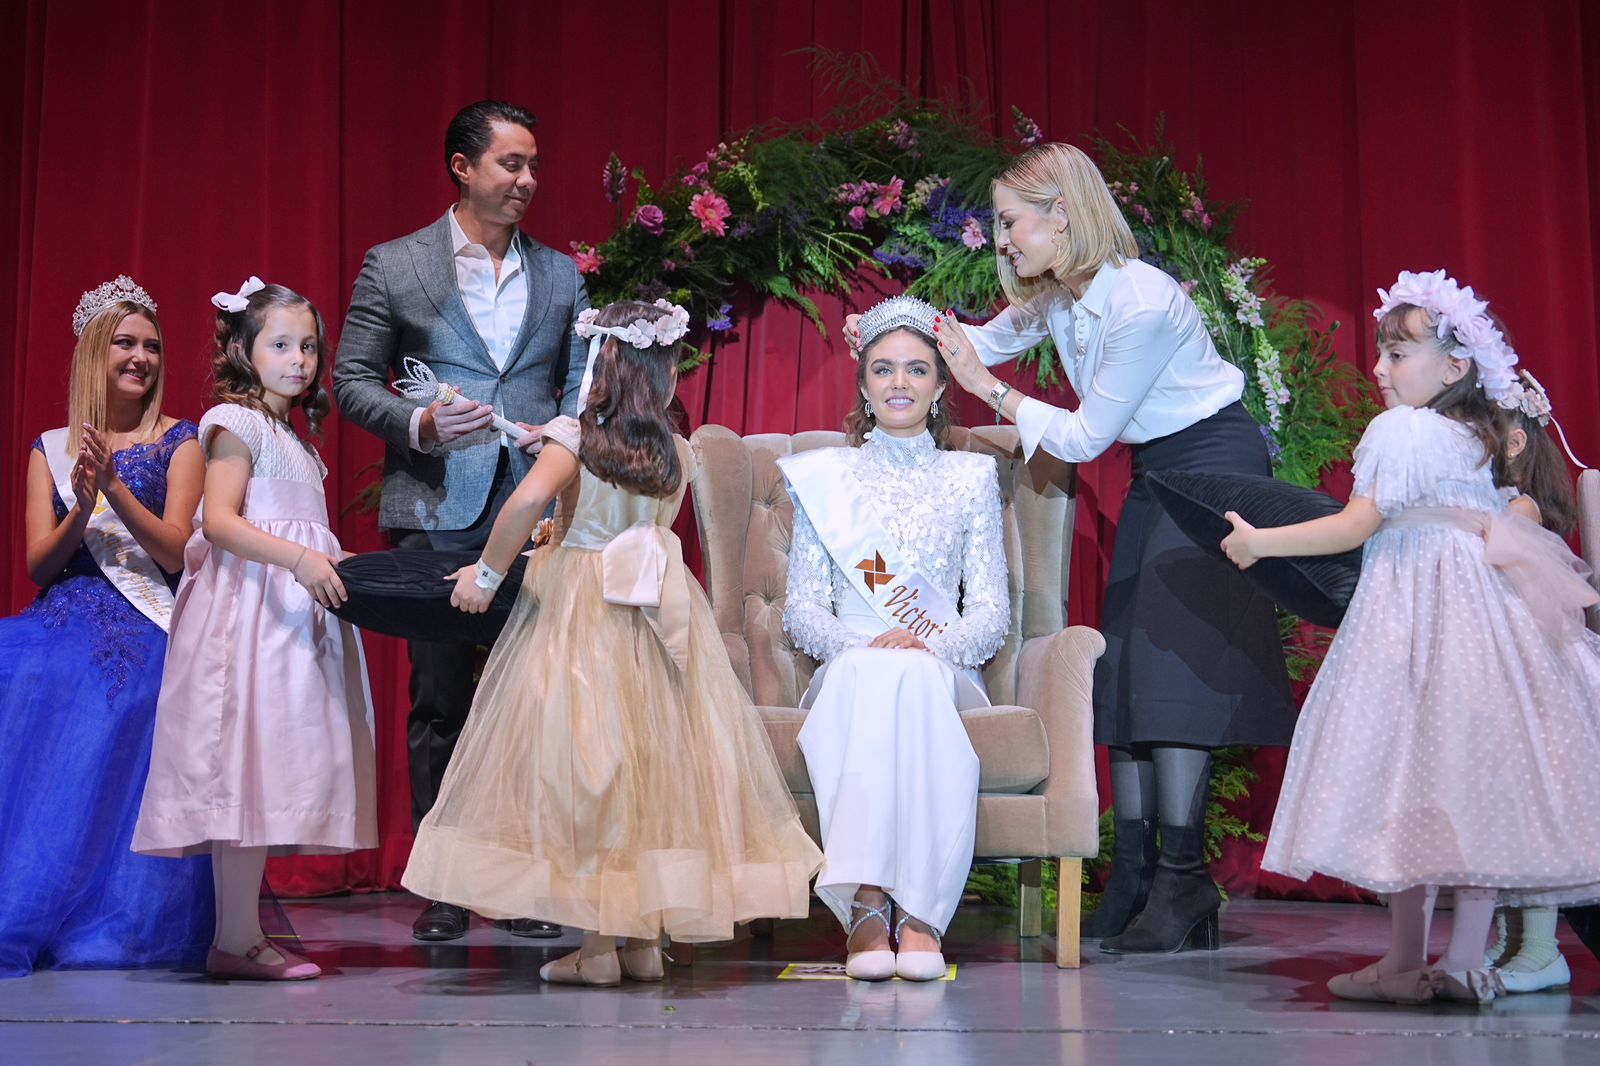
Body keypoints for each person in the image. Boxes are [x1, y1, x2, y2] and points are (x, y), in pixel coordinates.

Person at [862, 143, 1293, 953]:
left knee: (1176, 677)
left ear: (1061, 215)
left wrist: (991, 394)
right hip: (1161, 471)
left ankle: (1182, 877)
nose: (1002, 240)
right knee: (1126, 672)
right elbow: (981, 342)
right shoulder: (1061, 295)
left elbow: (1086, 436)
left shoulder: (1140, 302)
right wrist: (893, 323)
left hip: (1215, 469)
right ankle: (1133, 873)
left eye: (1011, 222)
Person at [402, 300, 821, 987]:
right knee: (650, 770)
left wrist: (486, 573)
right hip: (655, 614)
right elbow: (627, 516)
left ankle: (597, 949)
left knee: (587, 770)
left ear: (604, 364)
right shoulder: (676, 454)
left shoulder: (575, 439)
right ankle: (641, 942)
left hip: (582, 613)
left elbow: (527, 503)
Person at [1221, 270, 1600, 1004]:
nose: (1380, 369)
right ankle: (1461, 960)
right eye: (1382, 353)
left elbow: (1357, 524)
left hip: (1414, 618)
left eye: (1399, 354)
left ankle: (1403, 960)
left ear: (1455, 367)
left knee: (1409, 775)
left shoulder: (1399, 430)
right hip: (1485, 621)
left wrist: (1262, 543)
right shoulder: (1476, 435)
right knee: (1473, 780)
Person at [333, 99, 588, 942]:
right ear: (463, 167)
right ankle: (443, 883)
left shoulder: (560, 275)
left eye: (534, 166)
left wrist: (569, 436)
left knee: (529, 700)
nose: (526, 181)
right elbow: (351, 378)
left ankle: (518, 885)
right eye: (511, 164)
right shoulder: (397, 264)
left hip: (538, 510)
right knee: (441, 698)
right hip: (441, 505)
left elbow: (582, 384)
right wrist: (420, 425)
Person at [133, 280, 377, 981]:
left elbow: (307, 531)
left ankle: (238, 937)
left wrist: (351, 565)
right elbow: (221, 521)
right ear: (244, 350)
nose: (298, 359)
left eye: (308, 346)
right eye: (280, 344)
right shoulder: (234, 424)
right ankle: (235, 939)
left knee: (269, 765)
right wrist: (302, 558)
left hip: (292, 619)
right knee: (243, 763)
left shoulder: (297, 444)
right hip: (251, 617)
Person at [783, 294, 1009, 981]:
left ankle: (915, 912)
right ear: (863, 383)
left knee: (907, 676)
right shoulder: (827, 477)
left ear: (941, 386)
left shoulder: (971, 476)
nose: (899, 384)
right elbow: (801, 608)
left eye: (917, 370)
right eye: (884, 370)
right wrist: (860, 647)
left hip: (938, 662)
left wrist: (928, 645)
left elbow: (992, 611)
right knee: (874, 675)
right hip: (849, 661)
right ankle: (871, 906)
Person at [0, 276, 212, 976]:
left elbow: (177, 551)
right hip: (63, 612)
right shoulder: (49, 449)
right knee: (29, 669)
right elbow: (38, 565)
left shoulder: (181, 441)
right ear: (94, 351)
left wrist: (114, 491)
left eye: (151, 346)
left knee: (119, 693)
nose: (140, 357)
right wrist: (78, 504)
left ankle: (110, 913)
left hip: (144, 617)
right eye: (125, 342)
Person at [1484, 368, 1588, 995]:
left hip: (1532, 669)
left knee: (1531, 804)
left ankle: (1543, 948)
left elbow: (1494, 568)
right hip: (1506, 664)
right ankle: (1510, 938)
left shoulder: (1514, 506)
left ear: (1514, 444)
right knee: (1500, 805)